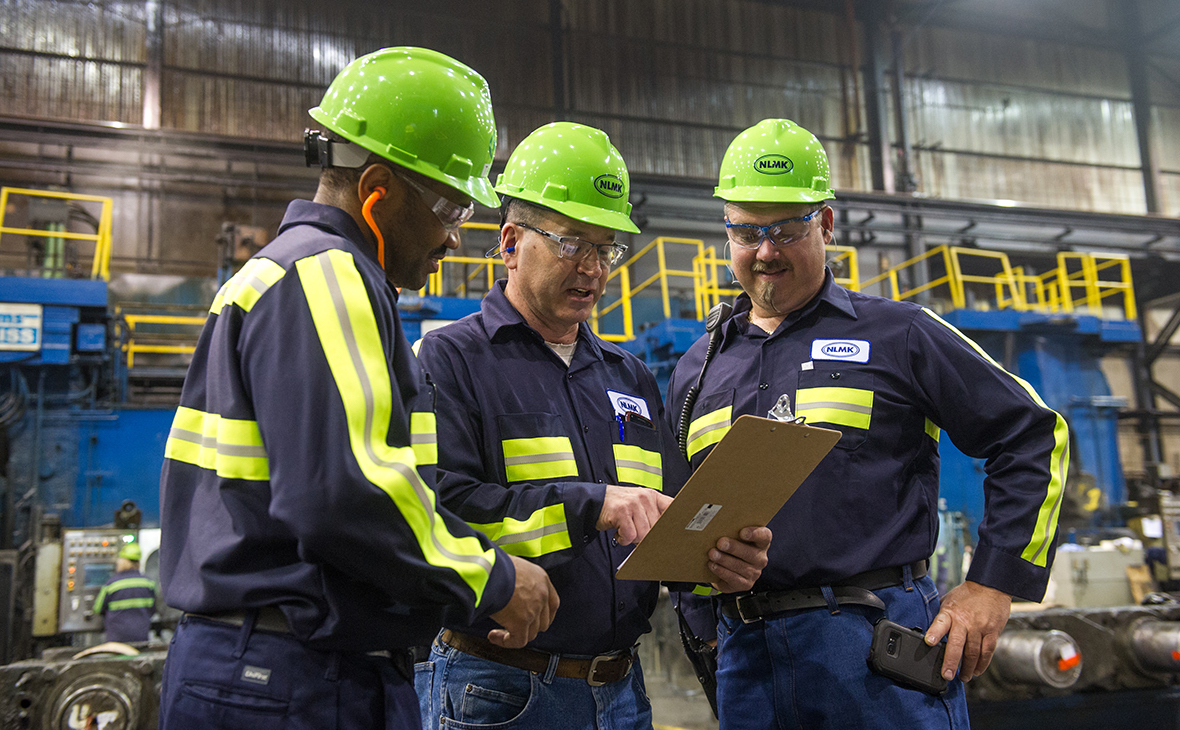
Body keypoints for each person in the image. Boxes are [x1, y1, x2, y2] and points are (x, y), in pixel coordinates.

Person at [157, 47, 558, 730]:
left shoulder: (282, 275)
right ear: (376, 190)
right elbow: (344, 494)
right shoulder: (327, 276)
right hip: (293, 678)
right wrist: (492, 579)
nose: (455, 237)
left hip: (261, 666)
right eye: (449, 207)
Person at [667, 118, 1070, 729]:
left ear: (826, 225)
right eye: (747, 231)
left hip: (877, 657)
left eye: (786, 229)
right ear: (726, 233)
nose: (767, 251)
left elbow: (1034, 434)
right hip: (747, 662)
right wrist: (706, 632)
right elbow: (684, 519)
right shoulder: (698, 368)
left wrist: (993, 585)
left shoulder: (900, 335)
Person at [414, 121, 772, 730]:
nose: (593, 268)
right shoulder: (452, 360)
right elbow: (437, 512)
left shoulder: (628, 376)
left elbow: (663, 515)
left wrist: (715, 557)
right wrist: (591, 506)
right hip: (500, 688)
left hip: (619, 688)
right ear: (509, 242)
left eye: (605, 248)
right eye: (570, 242)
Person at [92, 542, 157, 644]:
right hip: (141, 637)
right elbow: (153, 609)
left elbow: (98, 608)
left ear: (124, 562)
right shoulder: (148, 583)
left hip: (117, 639)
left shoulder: (112, 584)